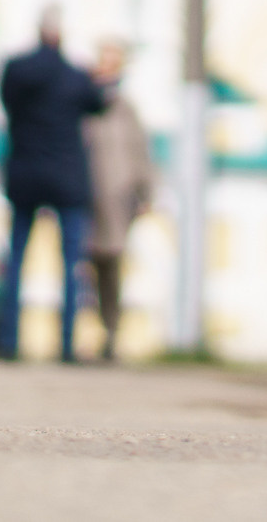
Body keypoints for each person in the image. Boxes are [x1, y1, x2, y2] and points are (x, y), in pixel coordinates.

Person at [0, 8, 109, 361]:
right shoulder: (75, 76)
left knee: (15, 260)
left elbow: (5, 100)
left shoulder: (16, 70)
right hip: (66, 178)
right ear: (61, 36)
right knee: (72, 263)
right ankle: (67, 344)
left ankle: (7, 341)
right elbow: (100, 104)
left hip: (25, 173)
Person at [80, 39, 153, 362]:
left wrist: (146, 192)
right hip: (85, 197)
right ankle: (79, 335)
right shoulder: (82, 102)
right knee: (83, 269)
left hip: (118, 198)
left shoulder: (126, 108)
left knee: (112, 267)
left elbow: (140, 153)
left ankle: (111, 334)